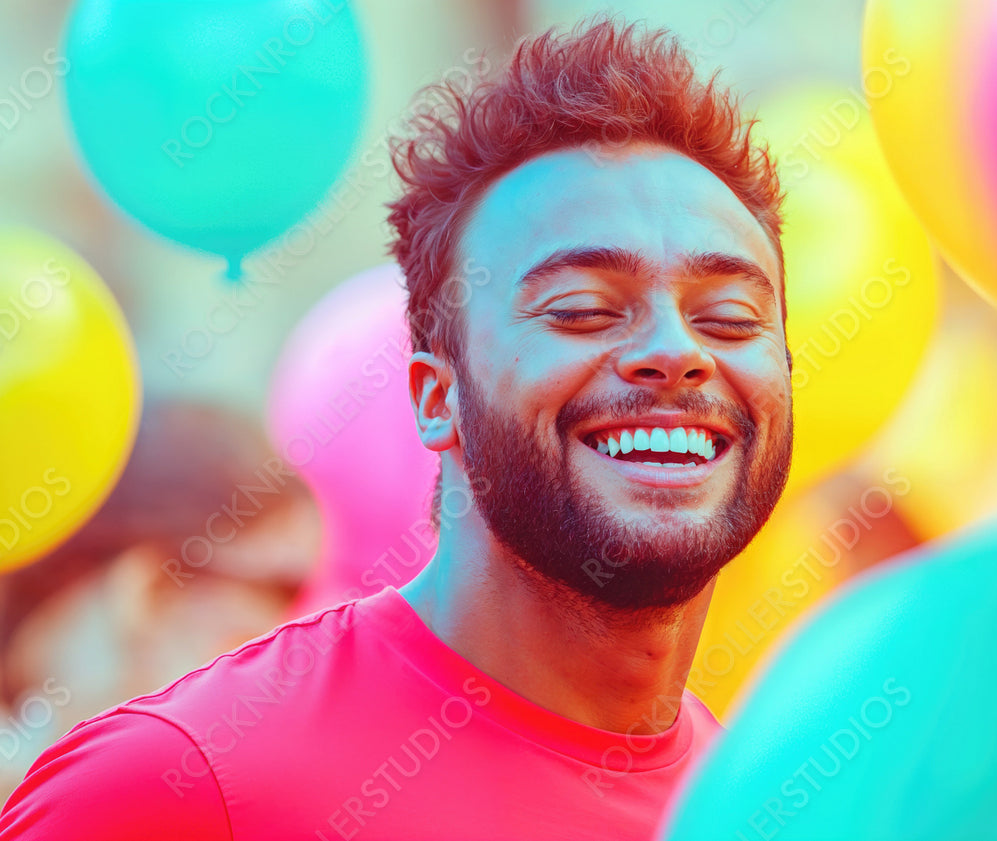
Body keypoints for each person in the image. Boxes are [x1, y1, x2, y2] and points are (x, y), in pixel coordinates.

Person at [0, 17, 792, 840]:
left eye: (730, 318)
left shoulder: (764, 801)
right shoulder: (176, 785)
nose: (676, 351)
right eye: (584, 309)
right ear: (434, 398)